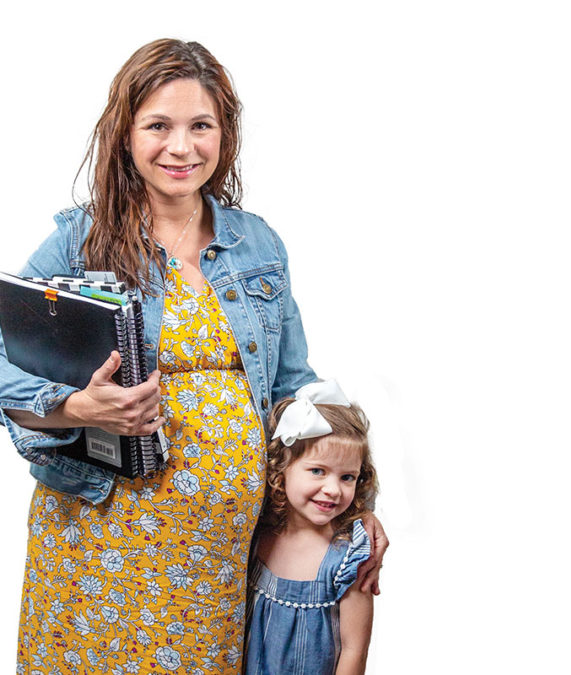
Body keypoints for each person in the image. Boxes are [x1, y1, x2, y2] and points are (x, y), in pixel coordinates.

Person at [0, 39, 387, 674]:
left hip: (219, 554)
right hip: (99, 542)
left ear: (224, 135)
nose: (181, 148)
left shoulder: (255, 242)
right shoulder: (80, 240)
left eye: (200, 125)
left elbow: (295, 391)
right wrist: (74, 404)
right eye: (158, 125)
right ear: (125, 134)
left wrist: (352, 499)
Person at [245, 381, 377, 675]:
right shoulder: (258, 533)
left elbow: (355, 649)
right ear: (282, 470)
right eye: (318, 471)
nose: (332, 489)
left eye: (347, 477)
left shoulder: (347, 559)